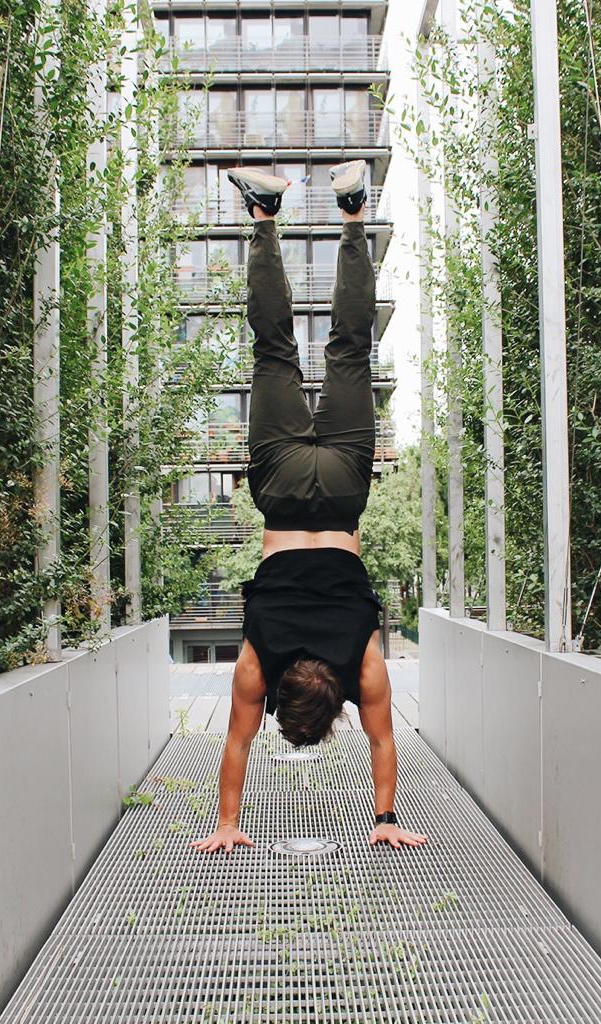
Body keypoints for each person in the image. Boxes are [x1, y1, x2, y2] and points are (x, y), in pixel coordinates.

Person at [191, 162, 428, 855]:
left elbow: (384, 741)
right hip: (286, 488)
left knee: (351, 350)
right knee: (275, 352)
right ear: (280, 702)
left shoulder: (363, 665)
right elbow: (236, 741)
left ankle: (353, 213)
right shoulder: (257, 666)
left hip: (345, 488)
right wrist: (226, 823)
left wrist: (386, 820)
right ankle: (264, 218)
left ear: (334, 708)